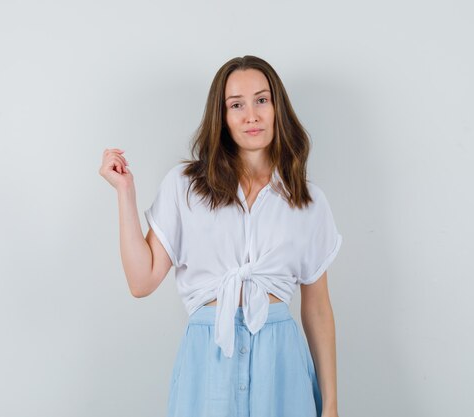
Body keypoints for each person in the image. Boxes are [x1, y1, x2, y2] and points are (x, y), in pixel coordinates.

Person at [99, 55, 343, 417]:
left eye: (262, 100)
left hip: (282, 368)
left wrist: (331, 405)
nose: (251, 115)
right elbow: (141, 281)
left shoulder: (308, 201)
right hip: (207, 364)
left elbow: (318, 309)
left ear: (278, 108)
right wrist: (125, 192)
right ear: (223, 117)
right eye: (236, 105)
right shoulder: (185, 187)